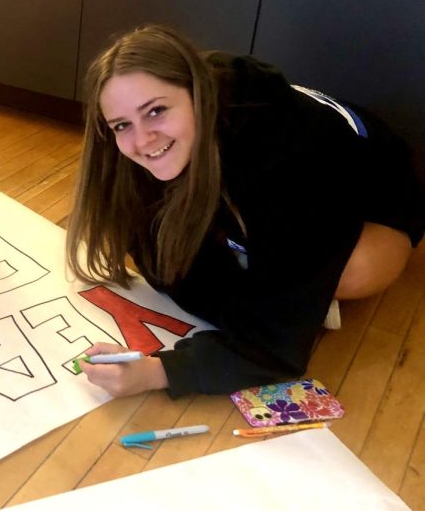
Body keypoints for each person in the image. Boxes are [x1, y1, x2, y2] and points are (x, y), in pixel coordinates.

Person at [66, 25, 423, 399]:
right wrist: (256, 307)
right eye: (122, 125)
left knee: (356, 270)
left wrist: (160, 371)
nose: (141, 140)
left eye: (156, 111)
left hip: (374, 192)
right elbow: (159, 265)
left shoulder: (295, 158)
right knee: (178, 238)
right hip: (258, 176)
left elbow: (276, 350)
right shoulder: (148, 141)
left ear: (198, 94)